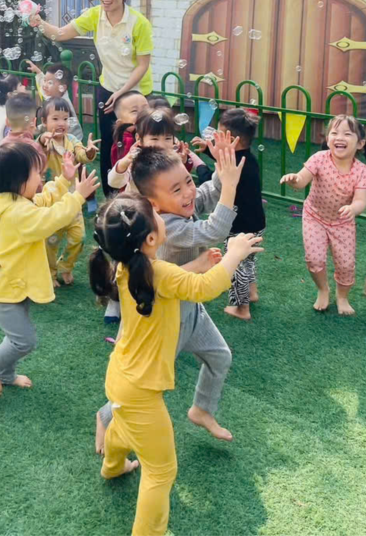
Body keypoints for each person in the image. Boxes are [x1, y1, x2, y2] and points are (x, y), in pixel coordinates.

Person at [89, 189, 262, 536]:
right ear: (151, 238)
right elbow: (204, 289)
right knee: (161, 472)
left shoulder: (127, 267)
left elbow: (170, 283)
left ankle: (113, 465)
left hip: (120, 377)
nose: (160, 213)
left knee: (123, 424)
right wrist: (234, 254)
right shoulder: (156, 273)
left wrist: (197, 266)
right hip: (140, 391)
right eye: (154, 212)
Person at [96, 133, 242, 455]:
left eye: (188, 180)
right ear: (154, 205)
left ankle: (201, 409)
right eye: (177, 189)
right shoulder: (167, 226)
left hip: (190, 310)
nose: (189, 191)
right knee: (145, 382)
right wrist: (230, 186)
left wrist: (222, 169)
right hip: (165, 321)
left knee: (220, 356)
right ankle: (105, 417)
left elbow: (207, 192)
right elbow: (213, 231)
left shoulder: (183, 202)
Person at [0, 142, 100, 395]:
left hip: (14, 285)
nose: (41, 176)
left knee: (16, 338)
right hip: (4, 292)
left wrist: (64, 180)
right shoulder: (17, 214)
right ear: (17, 180)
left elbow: (44, 200)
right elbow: (50, 219)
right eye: (36, 172)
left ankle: (7, 374)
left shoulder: (14, 201)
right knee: (24, 341)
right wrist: (77, 196)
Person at [29, 0, 154, 196]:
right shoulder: (95, 15)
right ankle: (110, 196)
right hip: (108, 89)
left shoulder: (139, 23)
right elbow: (61, 33)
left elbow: (143, 65)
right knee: (109, 142)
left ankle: (140, 196)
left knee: (139, 144)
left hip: (136, 93)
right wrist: (39, 23)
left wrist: (122, 92)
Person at [281, 115, 366, 315]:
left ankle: (342, 297)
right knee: (314, 259)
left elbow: (361, 200)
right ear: (328, 138)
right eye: (334, 133)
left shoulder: (362, 171)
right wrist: (294, 180)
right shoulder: (319, 159)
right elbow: (301, 181)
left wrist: (353, 208)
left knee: (346, 264)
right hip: (314, 217)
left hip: (343, 223)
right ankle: (323, 289)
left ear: (360, 143)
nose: (339, 137)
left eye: (347, 134)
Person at [37, 96, 99, 285]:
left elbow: (81, 155)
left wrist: (89, 151)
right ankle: (50, 272)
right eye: (55, 118)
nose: (61, 123)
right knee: (51, 241)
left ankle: (66, 266)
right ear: (44, 122)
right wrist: (42, 139)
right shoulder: (45, 141)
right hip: (52, 202)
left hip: (73, 199)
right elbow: (39, 146)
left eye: (65, 119)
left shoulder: (72, 140)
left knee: (79, 237)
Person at [214, 108, 265, 321]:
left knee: (236, 266)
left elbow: (217, 178)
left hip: (239, 226)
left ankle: (241, 308)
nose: (215, 138)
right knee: (247, 261)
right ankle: (251, 293)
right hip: (256, 222)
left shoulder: (233, 166)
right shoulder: (246, 159)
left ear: (232, 140)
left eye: (219, 134)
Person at [27, 60, 83, 138]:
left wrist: (37, 130)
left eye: (50, 83)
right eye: (45, 81)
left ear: (62, 87)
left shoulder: (64, 106)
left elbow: (70, 129)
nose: (45, 85)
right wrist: (38, 72)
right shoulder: (53, 93)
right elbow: (42, 84)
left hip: (71, 139)